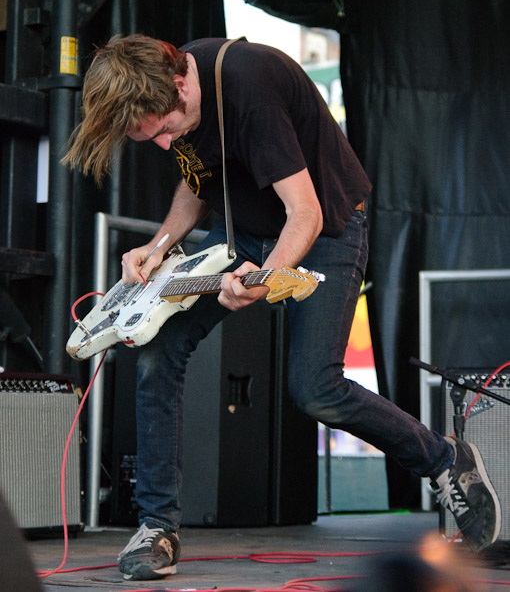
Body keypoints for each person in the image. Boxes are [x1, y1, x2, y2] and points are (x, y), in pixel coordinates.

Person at [63, 34, 501, 581]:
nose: (162, 142)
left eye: (166, 130)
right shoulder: (171, 89)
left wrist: (263, 280)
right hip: (244, 230)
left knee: (315, 387)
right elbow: (198, 183)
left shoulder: (250, 88)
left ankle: (443, 459)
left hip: (326, 229)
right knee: (156, 346)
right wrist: (156, 249)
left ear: (180, 84)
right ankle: (157, 526)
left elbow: (306, 214)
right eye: (149, 138)